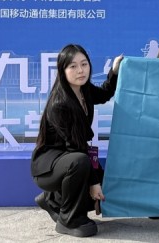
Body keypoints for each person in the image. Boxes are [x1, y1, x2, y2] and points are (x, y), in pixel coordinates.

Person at [31, 44, 123, 238]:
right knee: (80, 163)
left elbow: (105, 93)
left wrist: (114, 71)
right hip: (49, 166)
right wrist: (93, 182)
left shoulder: (83, 90)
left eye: (84, 64)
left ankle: (53, 200)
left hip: (70, 157)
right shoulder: (60, 104)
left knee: (105, 182)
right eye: (73, 66)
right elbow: (75, 148)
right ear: (62, 70)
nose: (80, 70)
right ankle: (69, 220)